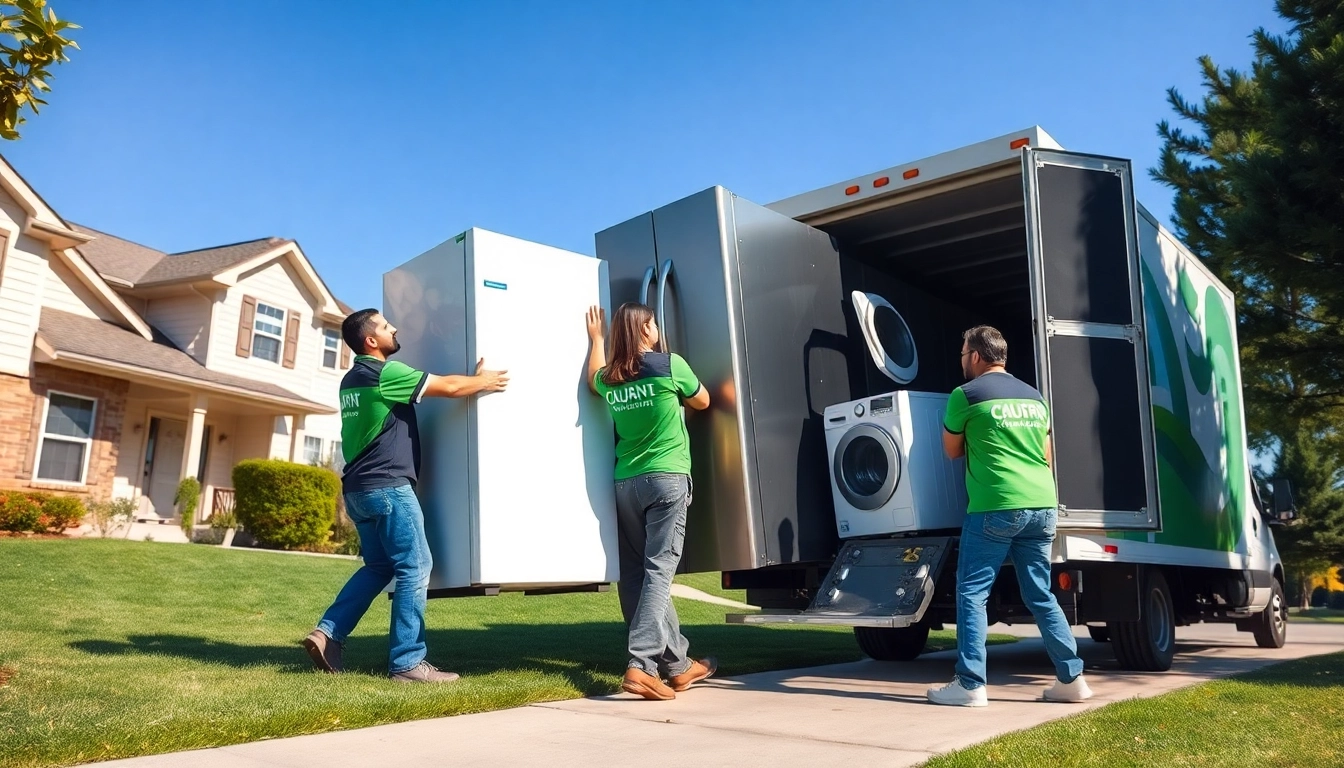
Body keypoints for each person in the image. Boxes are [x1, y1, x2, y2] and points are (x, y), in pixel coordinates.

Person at [303, 309, 508, 682]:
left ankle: (328, 633)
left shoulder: (351, 379)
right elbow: (448, 388)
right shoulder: (385, 373)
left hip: (358, 491)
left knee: (379, 567)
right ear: (370, 341)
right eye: (384, 326)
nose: (394, 328)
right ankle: (408, 663)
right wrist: (482, 381)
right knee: (415, 567)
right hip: (388, 488)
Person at [927, 325, 1092, 707]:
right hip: (1042, 504)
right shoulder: (1035, 398)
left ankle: (969, 685)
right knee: (1040, 594)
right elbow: (1047, 455)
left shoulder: (966, 394)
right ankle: (1072, 679)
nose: (961, 360)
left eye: (963, 353)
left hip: (995, 506)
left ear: (977, 357)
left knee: (971, 592)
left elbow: (951, 451)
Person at [585, 302, 717, 701]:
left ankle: (678, 666)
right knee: (658, 573)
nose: (658, 327)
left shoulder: (611, 377)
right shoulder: (670, 365)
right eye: (654, 323)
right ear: (645, 330)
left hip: (626, 483)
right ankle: (641, 665)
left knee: (638, 576)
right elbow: (704, 401)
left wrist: (595, 339)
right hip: (667, 479)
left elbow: (593, 378)